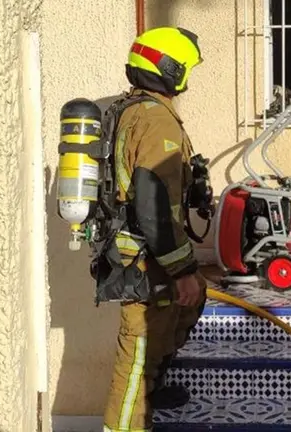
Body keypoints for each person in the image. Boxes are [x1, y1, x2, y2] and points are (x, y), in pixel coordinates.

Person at [101, 26, 207, 432]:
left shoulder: (131, 109)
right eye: (185, 68)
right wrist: (182, 270)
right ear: (170, 68)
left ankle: (152, 390)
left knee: (187, 305)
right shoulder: (155, 119)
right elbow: (151, 200)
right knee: (136, 353)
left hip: (145, 253)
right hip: (146, 259)